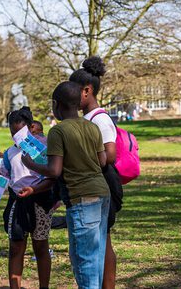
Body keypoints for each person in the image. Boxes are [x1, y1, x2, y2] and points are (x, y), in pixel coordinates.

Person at [23, 81, 110, 288]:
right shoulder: (92, 127)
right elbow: (103, 160)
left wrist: (31, 164)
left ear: (57, 105)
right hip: (102, 193)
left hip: (81, 198)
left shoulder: (58, 132)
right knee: (96, 257)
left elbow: (54, 170)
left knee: (84, 262)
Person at [0, 107, 55, 289]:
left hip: (39, 203)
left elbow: (51, 177)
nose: (15, 136)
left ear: (30, 127)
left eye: (19, 132)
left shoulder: (41, 148)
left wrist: (34, 190)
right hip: (18, 202)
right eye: (12, 133)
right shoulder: (10, 152)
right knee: (16, 247)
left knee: (41, 246)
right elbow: (4, 174)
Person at [69, 56, 122, 289]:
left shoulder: (100, 119)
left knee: (104, 243)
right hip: (93, 187)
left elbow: (110, 154)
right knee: (100, 242)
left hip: (102, 188)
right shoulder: (88, 118)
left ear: (87, 91)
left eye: (73, 92)